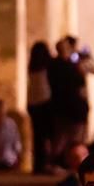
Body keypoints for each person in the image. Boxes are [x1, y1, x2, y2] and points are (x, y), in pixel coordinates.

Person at [27, 41, 55, 173]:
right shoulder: (48, 65)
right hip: (45, 102)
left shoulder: (32, 66)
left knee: (37, 136)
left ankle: (38, 165)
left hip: (32, 103)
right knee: (47, 136)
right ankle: (47, 163)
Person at [0, 99, 23, 171]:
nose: (0, 112)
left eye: (1, 110)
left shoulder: (11, 124)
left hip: (9, 160)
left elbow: (16, 141)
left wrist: (19, 158)